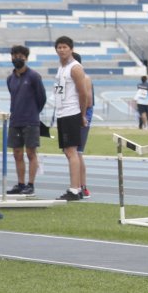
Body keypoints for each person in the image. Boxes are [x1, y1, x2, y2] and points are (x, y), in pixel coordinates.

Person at [52, 36, 91, 202]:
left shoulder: (75, 68)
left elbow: (83, 94)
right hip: (62, 112)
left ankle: (75, 189)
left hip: (72, 112)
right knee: (68, 152)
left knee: (71, 151)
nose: (62, 50)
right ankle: (77, 188)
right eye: (59, 47)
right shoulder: (61, 67)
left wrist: (82, 115)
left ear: (71, 49)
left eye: (65, 47)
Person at [6, 45, 46, 196]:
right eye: (14, 56)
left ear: (26, 58)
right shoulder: (10, 79)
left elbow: (42, 98)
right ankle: (20, 184)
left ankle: (31, 185)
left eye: (20, 56)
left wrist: (33, 113)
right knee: (17, 153)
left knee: (31, 153)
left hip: (30, 121)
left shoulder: (34, 76)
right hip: (15, 120)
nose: (17, 58)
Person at [72, 52, 94, 199]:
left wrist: (82, 116)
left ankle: (82, 187)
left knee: (77, 152)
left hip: (80, 116)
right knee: (72, 152)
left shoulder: (84, 78)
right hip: (72, 115)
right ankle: (78, 186)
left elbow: (89, 100)